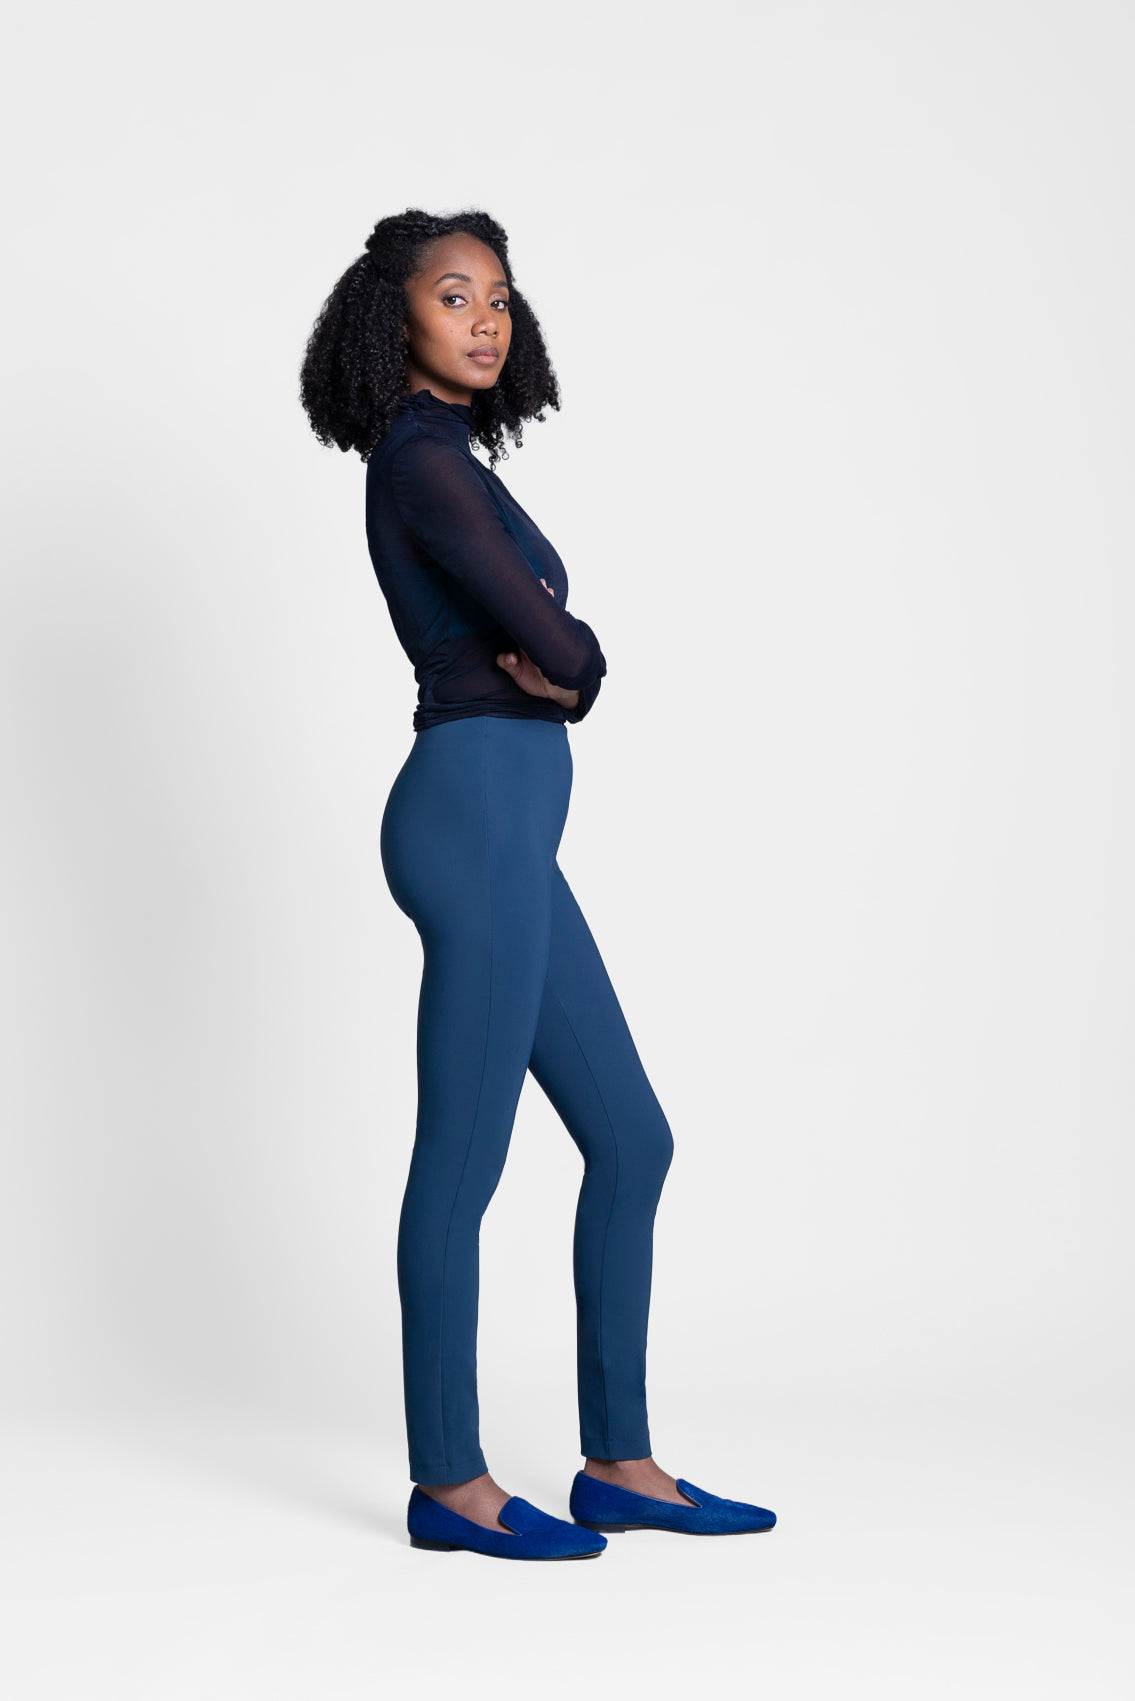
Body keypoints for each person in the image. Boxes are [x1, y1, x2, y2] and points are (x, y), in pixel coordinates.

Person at [300, 207, 776, 1560]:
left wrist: (562, 664)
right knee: (463, 1163)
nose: (488, 320)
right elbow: (559, 648)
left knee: (632, 1140)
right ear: (395, 317)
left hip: (512, 832)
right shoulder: (418, 461)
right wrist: (574, 662)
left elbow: (552, 656)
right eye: (456, 295)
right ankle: (448, 1483)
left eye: (501, 298)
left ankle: (619, 1463)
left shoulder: (458, 459)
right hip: (472, 821)